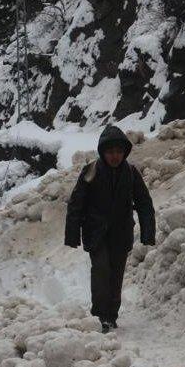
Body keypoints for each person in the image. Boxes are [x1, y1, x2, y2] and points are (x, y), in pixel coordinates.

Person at [65, 126, 156, 333]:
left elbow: (144, 203)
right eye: (110, 151)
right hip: (96, 233)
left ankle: (111, 316)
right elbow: (76, 203)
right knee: (101, 270)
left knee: (116, 276)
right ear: (102, 152)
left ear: (124, 152)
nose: (115, 156)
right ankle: (100, 316)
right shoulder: (91, 171)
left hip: (121, 234)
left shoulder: (131, 173)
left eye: (118, 151)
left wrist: (148, 232)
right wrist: (72, 234)